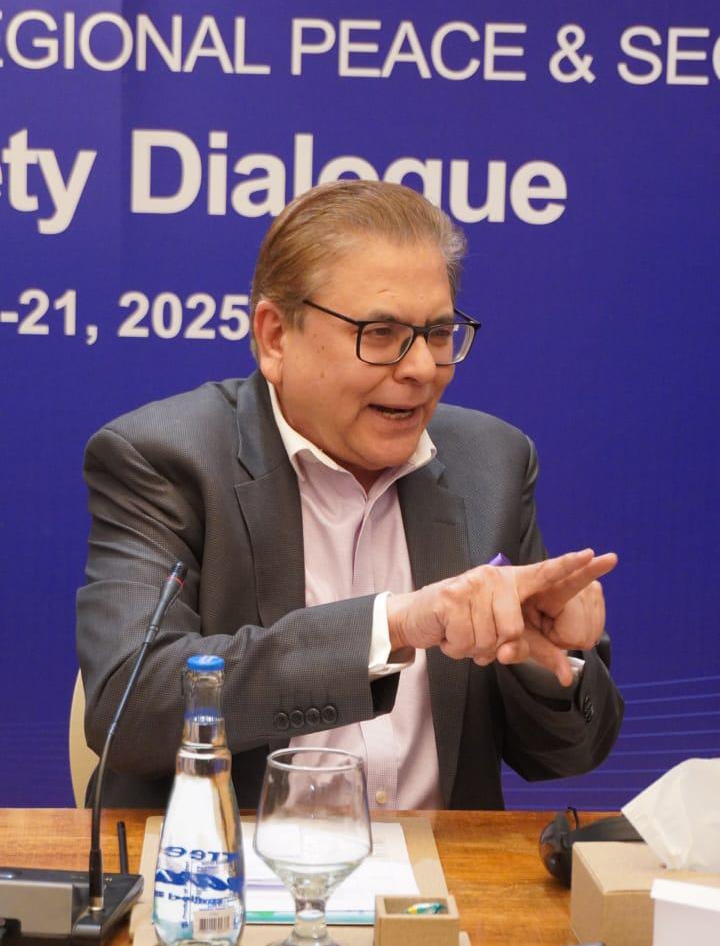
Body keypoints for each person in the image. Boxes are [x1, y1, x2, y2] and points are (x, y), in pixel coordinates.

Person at [77, 180, 623, 809]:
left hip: (438, 868)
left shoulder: (491, 463)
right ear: (275, 337)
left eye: (438, 333)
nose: (421, 369)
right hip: (227, 860)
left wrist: (548, 657)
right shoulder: (166, 459)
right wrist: (391, 627)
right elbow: (130, 706)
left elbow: (569, 754)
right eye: (381, 333)